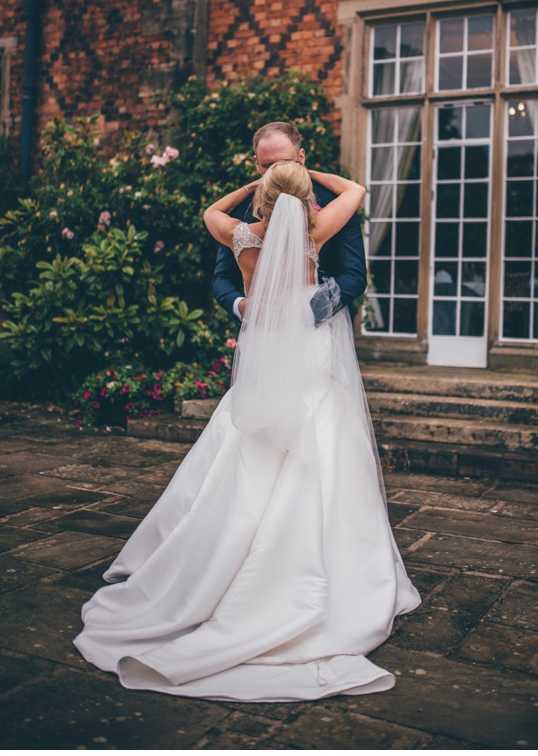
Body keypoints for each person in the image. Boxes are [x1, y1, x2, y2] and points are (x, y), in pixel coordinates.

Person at [74, 159, 421, 701]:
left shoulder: (240, 233)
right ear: (306, 199)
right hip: (306, 341)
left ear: (262, 196)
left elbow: (209, 210)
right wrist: (309, 180)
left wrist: (256, 186)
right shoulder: (316, 230)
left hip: (265, 342)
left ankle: (222, 548)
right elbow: (356, 188)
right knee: (319, 435)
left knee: (250, 438)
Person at [212, 122, 367, 324]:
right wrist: (241, 306)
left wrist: (307, 314)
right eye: (268, 165)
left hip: (316, 327)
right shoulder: (240, 210)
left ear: (301, 157)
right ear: (256, 163)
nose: (277, 171)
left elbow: (354, 276)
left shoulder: (334, 202)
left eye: (285, 162)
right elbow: (222, 277)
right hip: (261, 332)